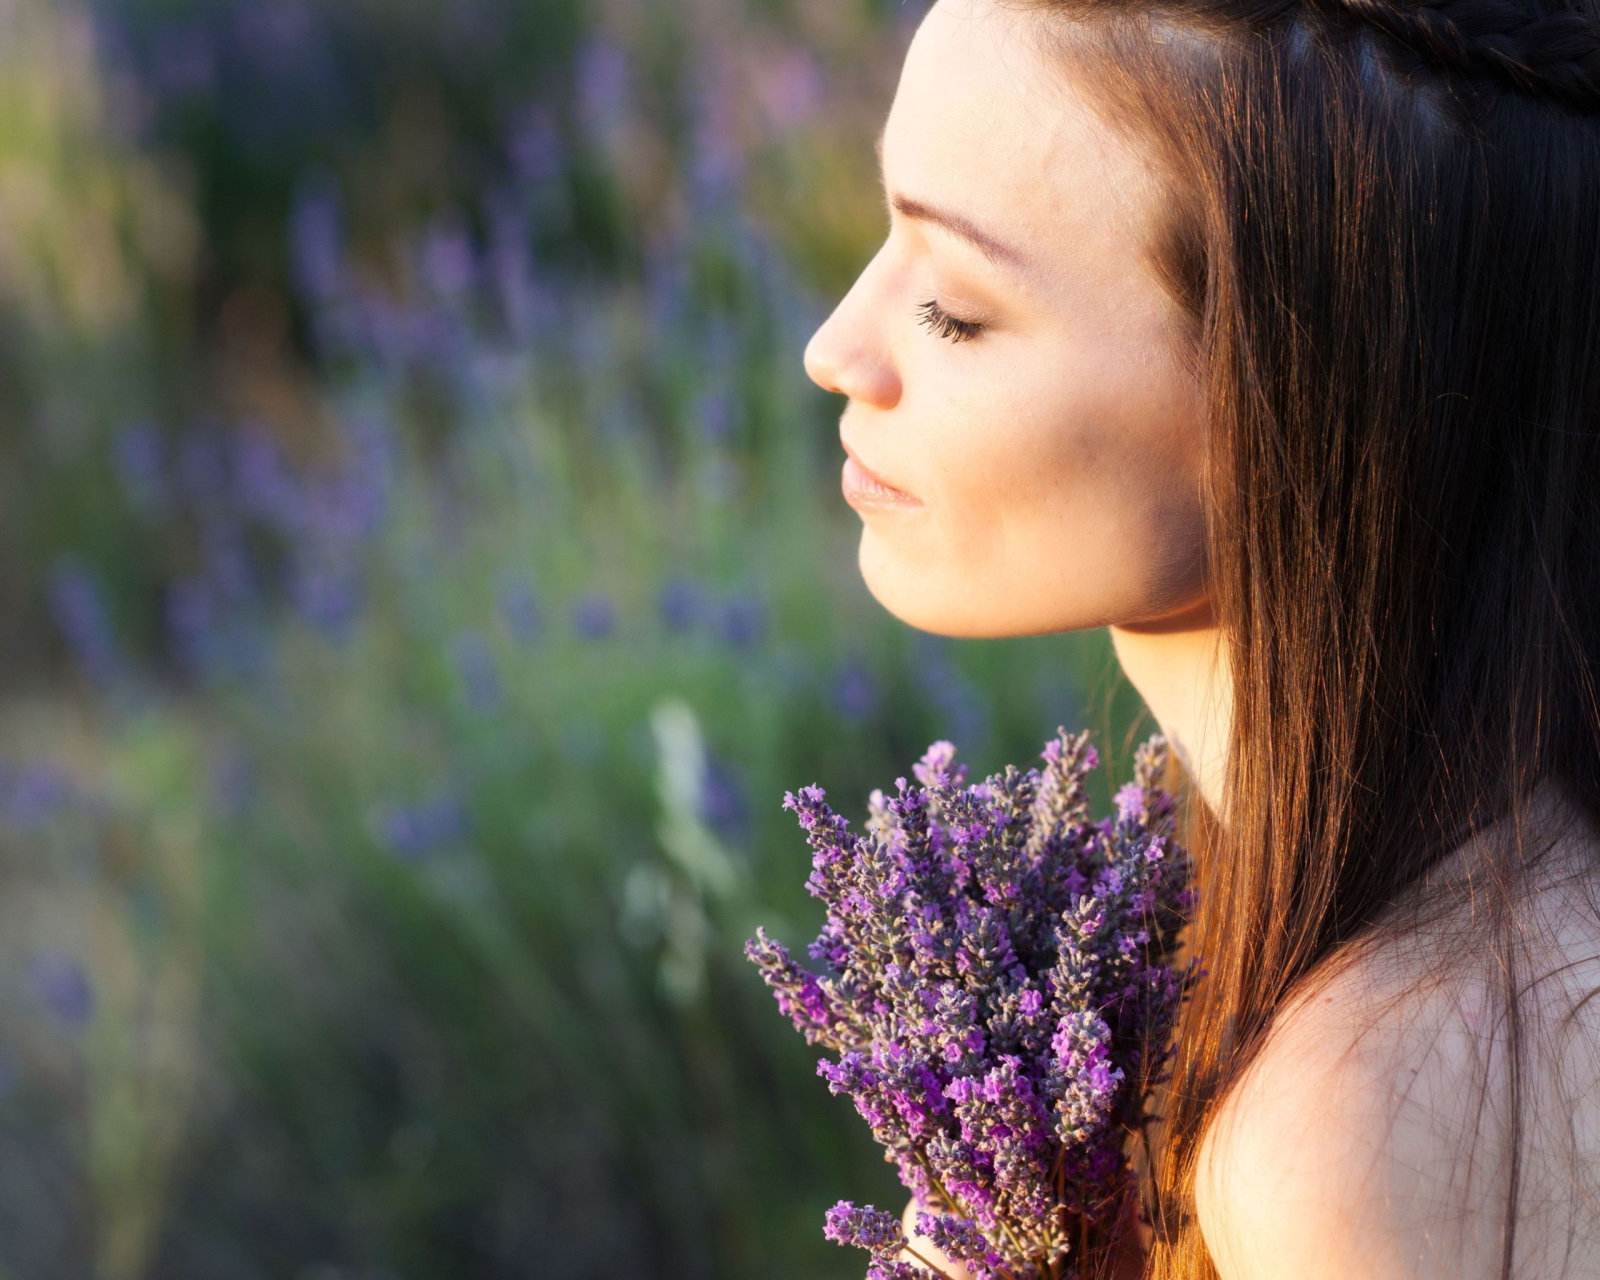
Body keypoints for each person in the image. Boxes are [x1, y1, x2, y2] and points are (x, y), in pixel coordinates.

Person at [801, 0, 1600, 1276]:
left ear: (1301, 395)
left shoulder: (1377, 1119)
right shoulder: (1350, 888)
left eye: (952, 308)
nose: (836, 349)